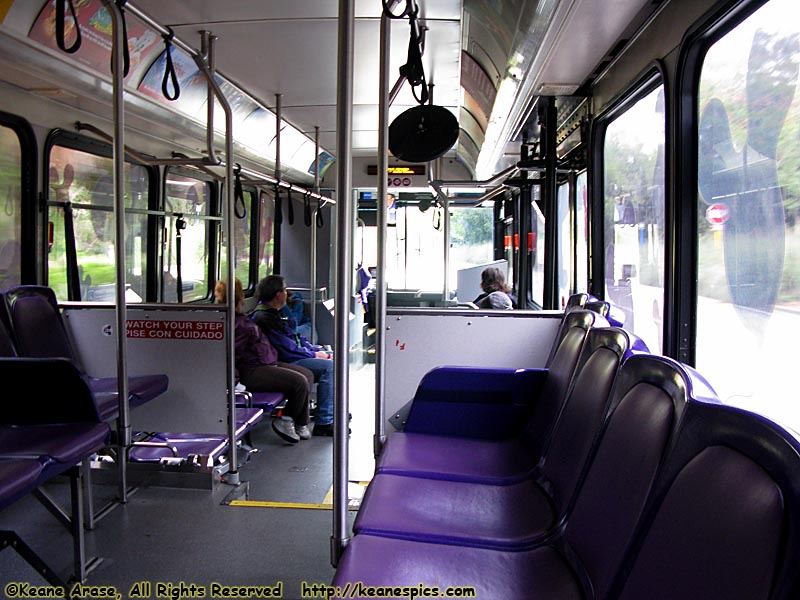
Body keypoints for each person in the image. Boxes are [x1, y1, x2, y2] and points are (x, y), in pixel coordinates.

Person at [214, 278, 313, 444]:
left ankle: (299, 422)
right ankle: (287, 419)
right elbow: (230, 356)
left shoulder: (241, 319)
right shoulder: (236, 324)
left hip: (265, 362)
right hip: (252, 370)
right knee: (299, 382)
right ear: (239, 299)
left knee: (307, 375)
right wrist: (236, 382)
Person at [250, 275, 335, 436]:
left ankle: (330, 409)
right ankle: (325, 420)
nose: (287, 294)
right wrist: (314, 354)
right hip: (288, 360)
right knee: (330, 367)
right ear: (278, 295)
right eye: (284, 290)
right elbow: (285, 348)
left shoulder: (276, 313)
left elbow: (295, 337)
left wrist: (314, 349)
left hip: (296, 354)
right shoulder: (263, 318)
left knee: (334, 357)